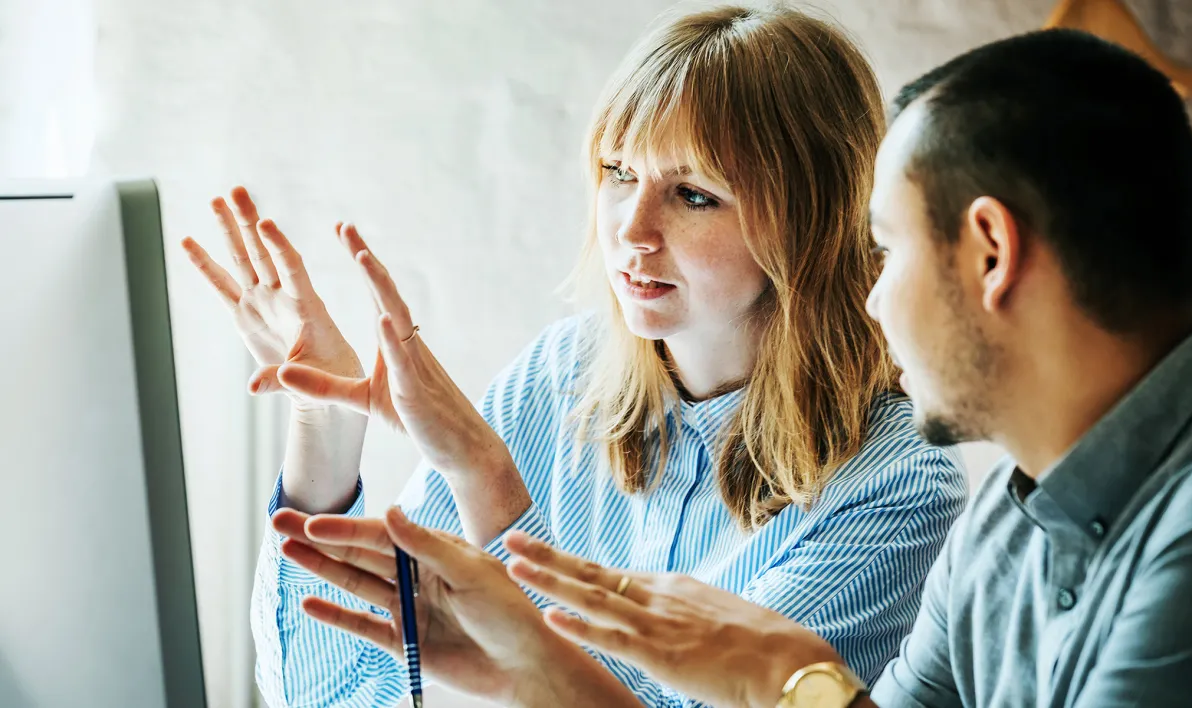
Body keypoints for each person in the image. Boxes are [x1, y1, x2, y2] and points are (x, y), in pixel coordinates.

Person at [283, 26, 1192, 708]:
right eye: (618, 174)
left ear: (990, 253)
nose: (872, 297)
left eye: (889, 249)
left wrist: (764, 680)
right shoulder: (1015, 514)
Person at [181, 5, 967, 707]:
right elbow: (334, 693)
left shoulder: (897, 481)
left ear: (811, 220)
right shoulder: (559, 375)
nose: (631, 228)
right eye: (618, 173)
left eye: (694, 193)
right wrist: (325, 422)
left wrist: (488, 484)